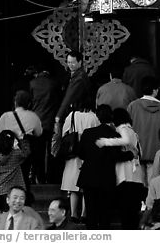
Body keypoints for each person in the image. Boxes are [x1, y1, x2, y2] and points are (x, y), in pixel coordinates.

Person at [77, 104, 134, 230]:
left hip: (89, 176)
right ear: (111, 117)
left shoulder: (87, 133)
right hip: (106, 178)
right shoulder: (114, 134)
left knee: (91, 212)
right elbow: (117, 156)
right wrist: (131, 154)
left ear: (97, 116)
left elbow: (80, 153)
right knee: (105, 214)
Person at [96, 108, 145, 229]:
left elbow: (119, 148)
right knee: (133, 213)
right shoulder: (133, 131)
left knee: (125, 212)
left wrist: (106, 141)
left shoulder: (121, 130)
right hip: (137, 176)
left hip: (124, 176)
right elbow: (139, 152)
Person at [0, 90, 42, 204]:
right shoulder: (33, 116)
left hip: (8, 152)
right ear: (29, 103)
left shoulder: (5, 116)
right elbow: (39, 132)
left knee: (7, 180)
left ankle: (9, 202)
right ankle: (23, 203)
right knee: (24, 179)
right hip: (24, 153)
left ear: (15, 102)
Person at [60, 95, 99, 223]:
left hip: (73, 153)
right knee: (86, 186)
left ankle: (73, 214)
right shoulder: (94, 117)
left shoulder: (72, 115)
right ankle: (84, 214)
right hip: (89, 153)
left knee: (73, 186)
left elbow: (64, 133)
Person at [127, 76, 160, 187]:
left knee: (139, 186)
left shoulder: (133, 106)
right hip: (157, 152)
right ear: (155, 90)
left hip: (137, 151)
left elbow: (127, 129)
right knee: (154, 186)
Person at [0, 130, 30, 213]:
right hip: (12, 194)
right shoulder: (16, 155)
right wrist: (20, 139)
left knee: (0, 221)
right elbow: (26, 152)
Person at [29, 66, 61, 183]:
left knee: (38, 151)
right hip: (50, 121)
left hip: (36, 122)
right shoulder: (53, 84)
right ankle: (50, 177)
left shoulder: (32, 83)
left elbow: (30, 102)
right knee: (51, 151)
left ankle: (39, 177)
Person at [53, 51, 90, 147]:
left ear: (80, 62)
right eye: (68, 62)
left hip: (76, 114)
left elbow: (69, 97)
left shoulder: (80, 77)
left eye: (73, 62)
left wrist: (59, 115)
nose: (70, 65)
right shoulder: (72, 75)